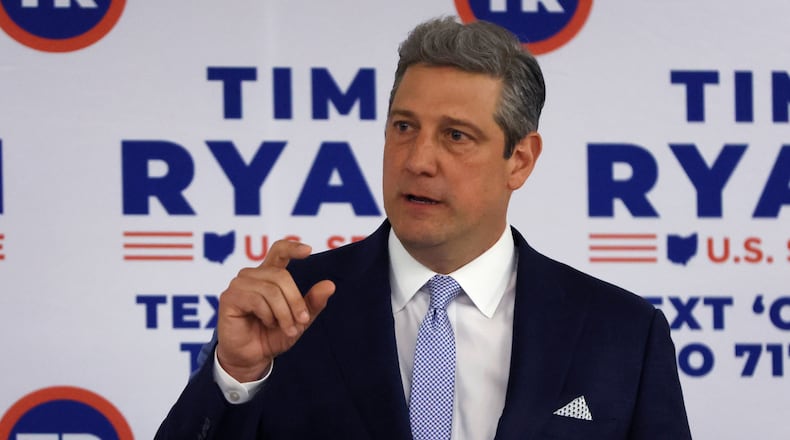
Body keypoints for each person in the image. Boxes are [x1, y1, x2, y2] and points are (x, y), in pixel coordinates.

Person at [156, 17, 691, 440]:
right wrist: (236, 375)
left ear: (520, 160)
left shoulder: (622, 333)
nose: (417, 160)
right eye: (404, 127)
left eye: (456, 136)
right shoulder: (291, 308)